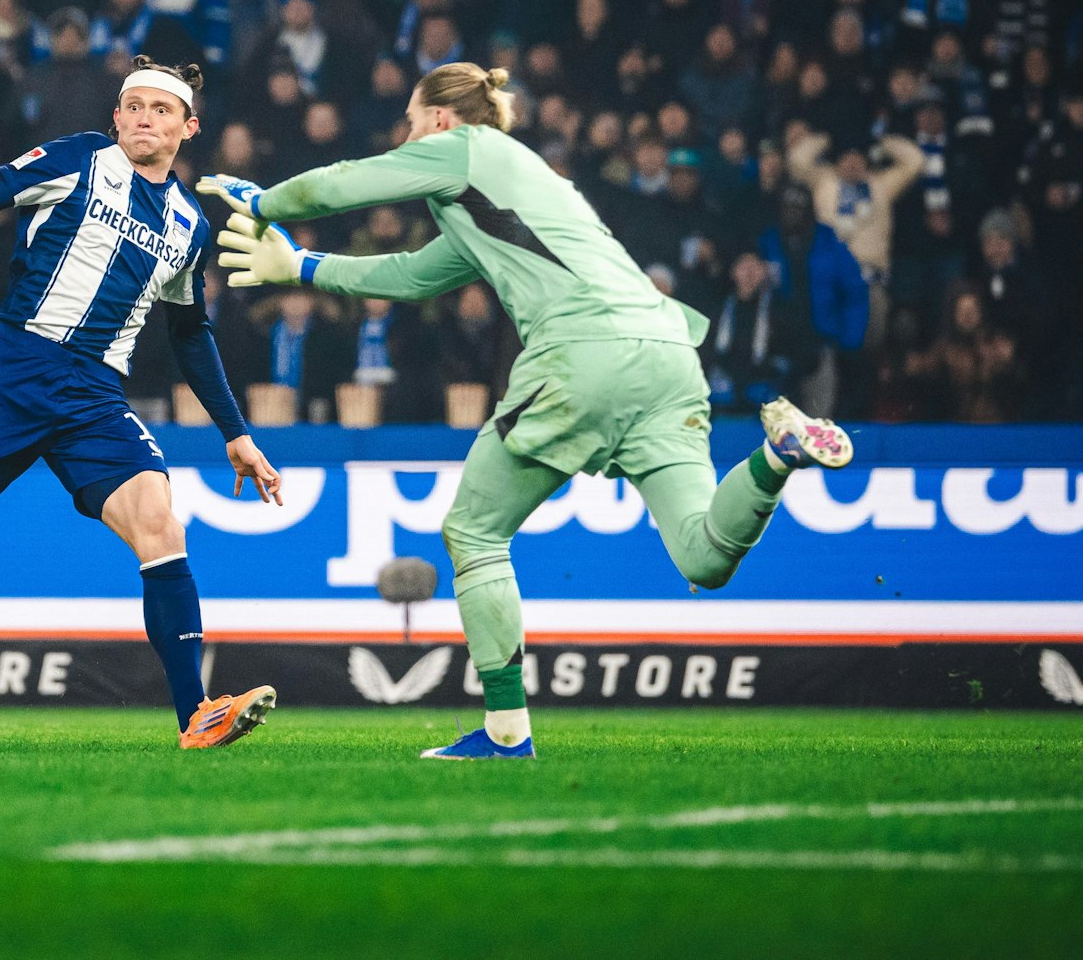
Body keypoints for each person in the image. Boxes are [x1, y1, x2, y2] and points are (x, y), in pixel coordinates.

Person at [199, 61, 854, 760]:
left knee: (474, 531)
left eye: (414, 124)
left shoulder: (463, 149)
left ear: (442, 120)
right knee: (704, 555)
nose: (410, 139)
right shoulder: (515, 186)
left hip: (585, 351)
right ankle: (777, 453)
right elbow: (415, 274)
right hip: (668, 354)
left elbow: (344, 183)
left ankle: (507, 732)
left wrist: (264, 202)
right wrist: (302, 267)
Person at [0, 56, 284, 750]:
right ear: (116, 117)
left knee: (161, 525)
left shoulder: (188, 225)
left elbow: (190, 332)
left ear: (189, 126)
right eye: (135, 106)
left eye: (161, 108)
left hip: (93, 392)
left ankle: (196, 714)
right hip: (11, 369)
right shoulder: (81, 160)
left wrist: (235, 432)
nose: (145, 117)